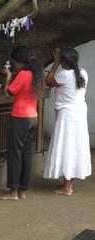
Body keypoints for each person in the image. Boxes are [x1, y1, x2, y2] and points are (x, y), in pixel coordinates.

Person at [43, 47, 91, 196]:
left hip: (67, 117)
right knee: (75, 147)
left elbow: (48, 81)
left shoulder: (64, 74)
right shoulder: (82, 73)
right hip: (79, 115)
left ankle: (67, 187)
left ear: (64, 62)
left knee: (67, 148)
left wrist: (55, 63)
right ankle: (68, 183)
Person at [0, 46, 43, 200]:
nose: (14, 65)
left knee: (15, 153)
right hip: (33, 117)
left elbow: (8, 93)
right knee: (26, 154)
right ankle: (23, 190)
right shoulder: (36, 74)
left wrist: (9, 76)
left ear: (19, 61)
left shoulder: (23, 74)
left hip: (20, 117)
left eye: (14, 62)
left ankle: (13, 191)